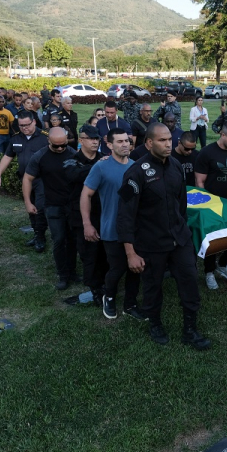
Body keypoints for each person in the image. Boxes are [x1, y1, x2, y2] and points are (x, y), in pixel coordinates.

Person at [117, 123, 210, 350]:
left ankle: (190, 329)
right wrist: (130, 253)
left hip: (180, 240)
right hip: (151, 243)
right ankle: (155, 323)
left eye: (169, 139)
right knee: (152, 286)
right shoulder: (135, 173)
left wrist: (183, 231)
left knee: (189, 281)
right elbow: (126, 216)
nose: (168, 144)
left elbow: (182, 204)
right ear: (149, 143)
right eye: (162, 140)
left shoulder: (176, 166)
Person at [81, 128, 143, 320]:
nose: (125, 144)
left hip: (135, 230)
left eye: (127, 141)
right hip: (111, 228)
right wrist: (87, 224)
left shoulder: (136, 166)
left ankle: (130, 304)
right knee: (117, 268)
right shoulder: (101, 167)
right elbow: (86, 194)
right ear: (109, 145)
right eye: (120, 141)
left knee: (137, 268)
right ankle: (109, 296)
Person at [23, 128, 78, 290]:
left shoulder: (73, 153)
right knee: (59, 239)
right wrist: (28, 202)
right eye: (56, 146)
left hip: (71, 204)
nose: (60, 149)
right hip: (52, 205)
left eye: (63, 145)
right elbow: (27, 178)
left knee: (72, 239)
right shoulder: (40, 156)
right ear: (49, 142)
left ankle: (72, 271)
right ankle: (63, 274)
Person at [195, 121, 227, 290]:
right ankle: (209, 272)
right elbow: (199, 181)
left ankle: (224, 264)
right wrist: (205, 206)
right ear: (222, 134)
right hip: (211, 202)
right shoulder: (206, 153)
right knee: (214, 238)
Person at [0, 111, 50, 252]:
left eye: (27, 125)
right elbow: (8, 156)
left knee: (40, 207)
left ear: (34, 122)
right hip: (25, 180)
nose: (24, 128)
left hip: (42, 179)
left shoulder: (45, 138)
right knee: (30, 207)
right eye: (21, 125)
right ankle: (37, 234)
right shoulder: (16, 138)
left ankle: (41, 237)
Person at [64, 125, 107, 303]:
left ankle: (104, 284)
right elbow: (73, 175)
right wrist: (98, 166)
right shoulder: (72, 160)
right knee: (88, 252)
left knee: (104, 251)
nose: (94, 141)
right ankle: (94, 288)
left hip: (103, 212)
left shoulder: (103, 159)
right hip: (81, 215)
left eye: (96, 138)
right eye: (90, 139)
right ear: (81, 141)